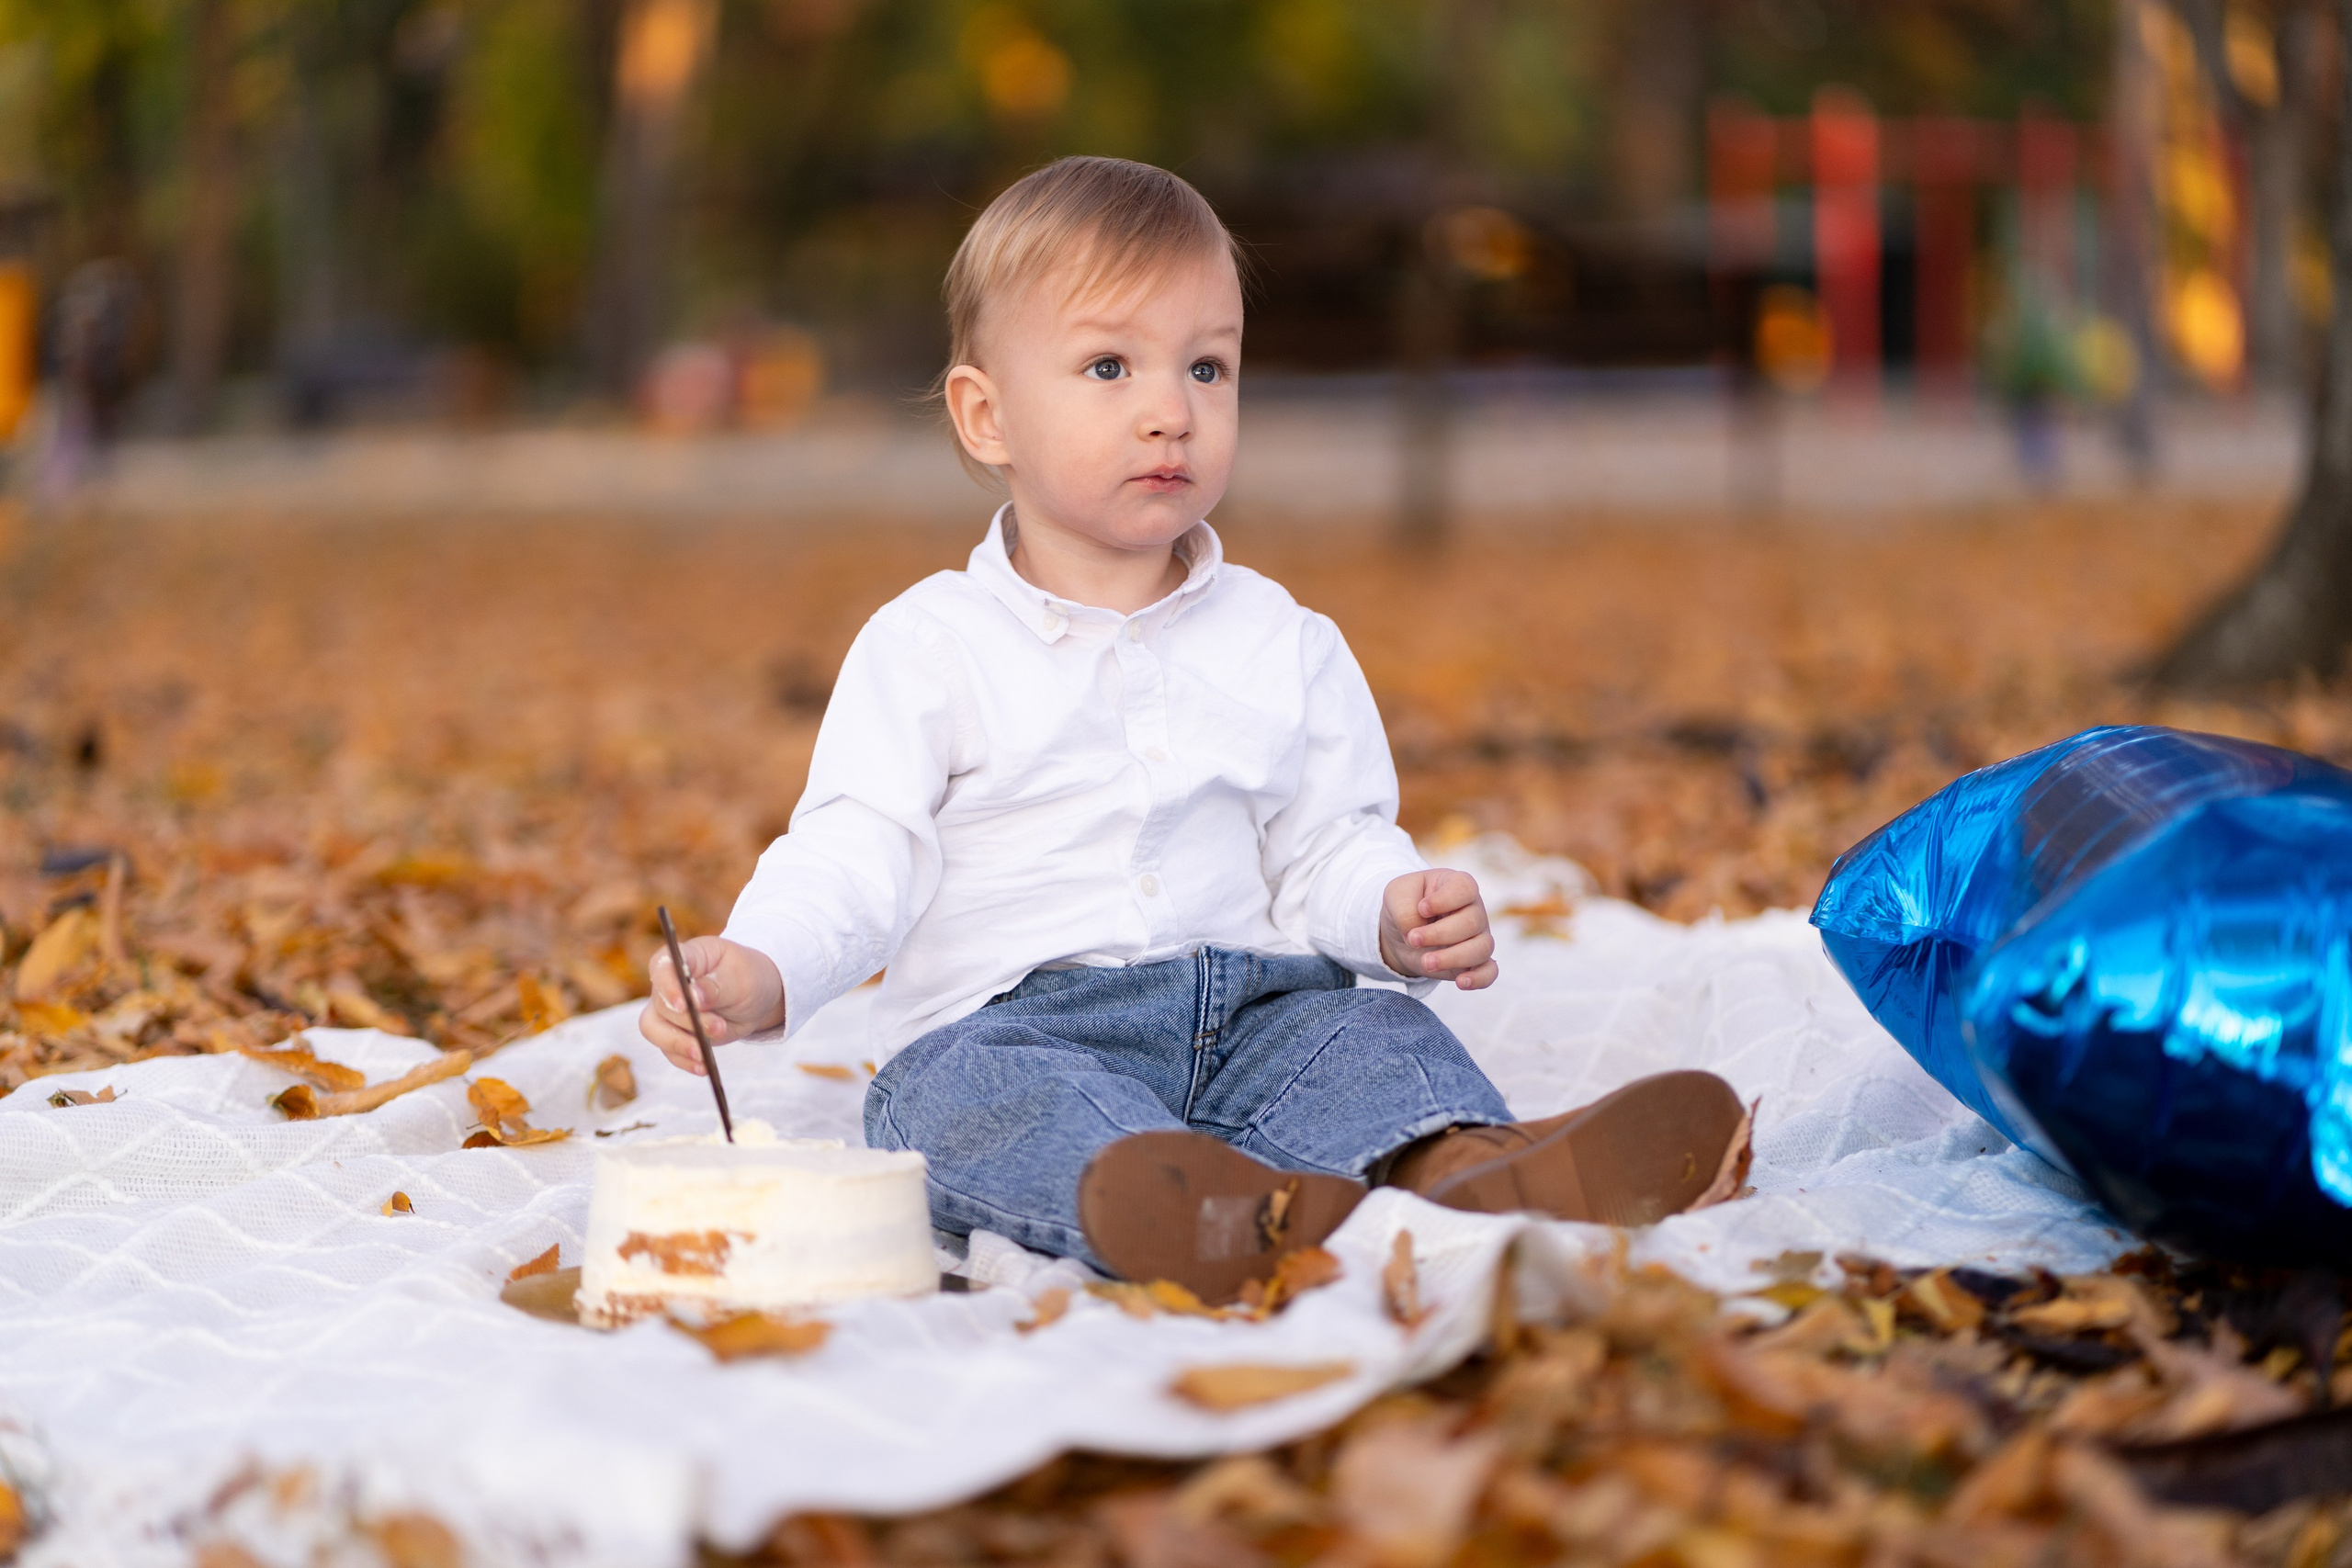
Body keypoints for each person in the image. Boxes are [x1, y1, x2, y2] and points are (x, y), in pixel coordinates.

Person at [640, 157, 1746, 1302]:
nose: (1170, 409)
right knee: (956, 1101)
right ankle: (1175, 1203)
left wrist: (1387, 909)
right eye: (1109, 365)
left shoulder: (1283, 638)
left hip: (1256, 1011)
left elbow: (1328, 838)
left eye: (1206, 367)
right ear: (987, 415)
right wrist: (767, 965)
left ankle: (1463, 1165)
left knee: (1372, 1042)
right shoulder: (930, 645)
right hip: (1019, 1025)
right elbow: (853, 845)